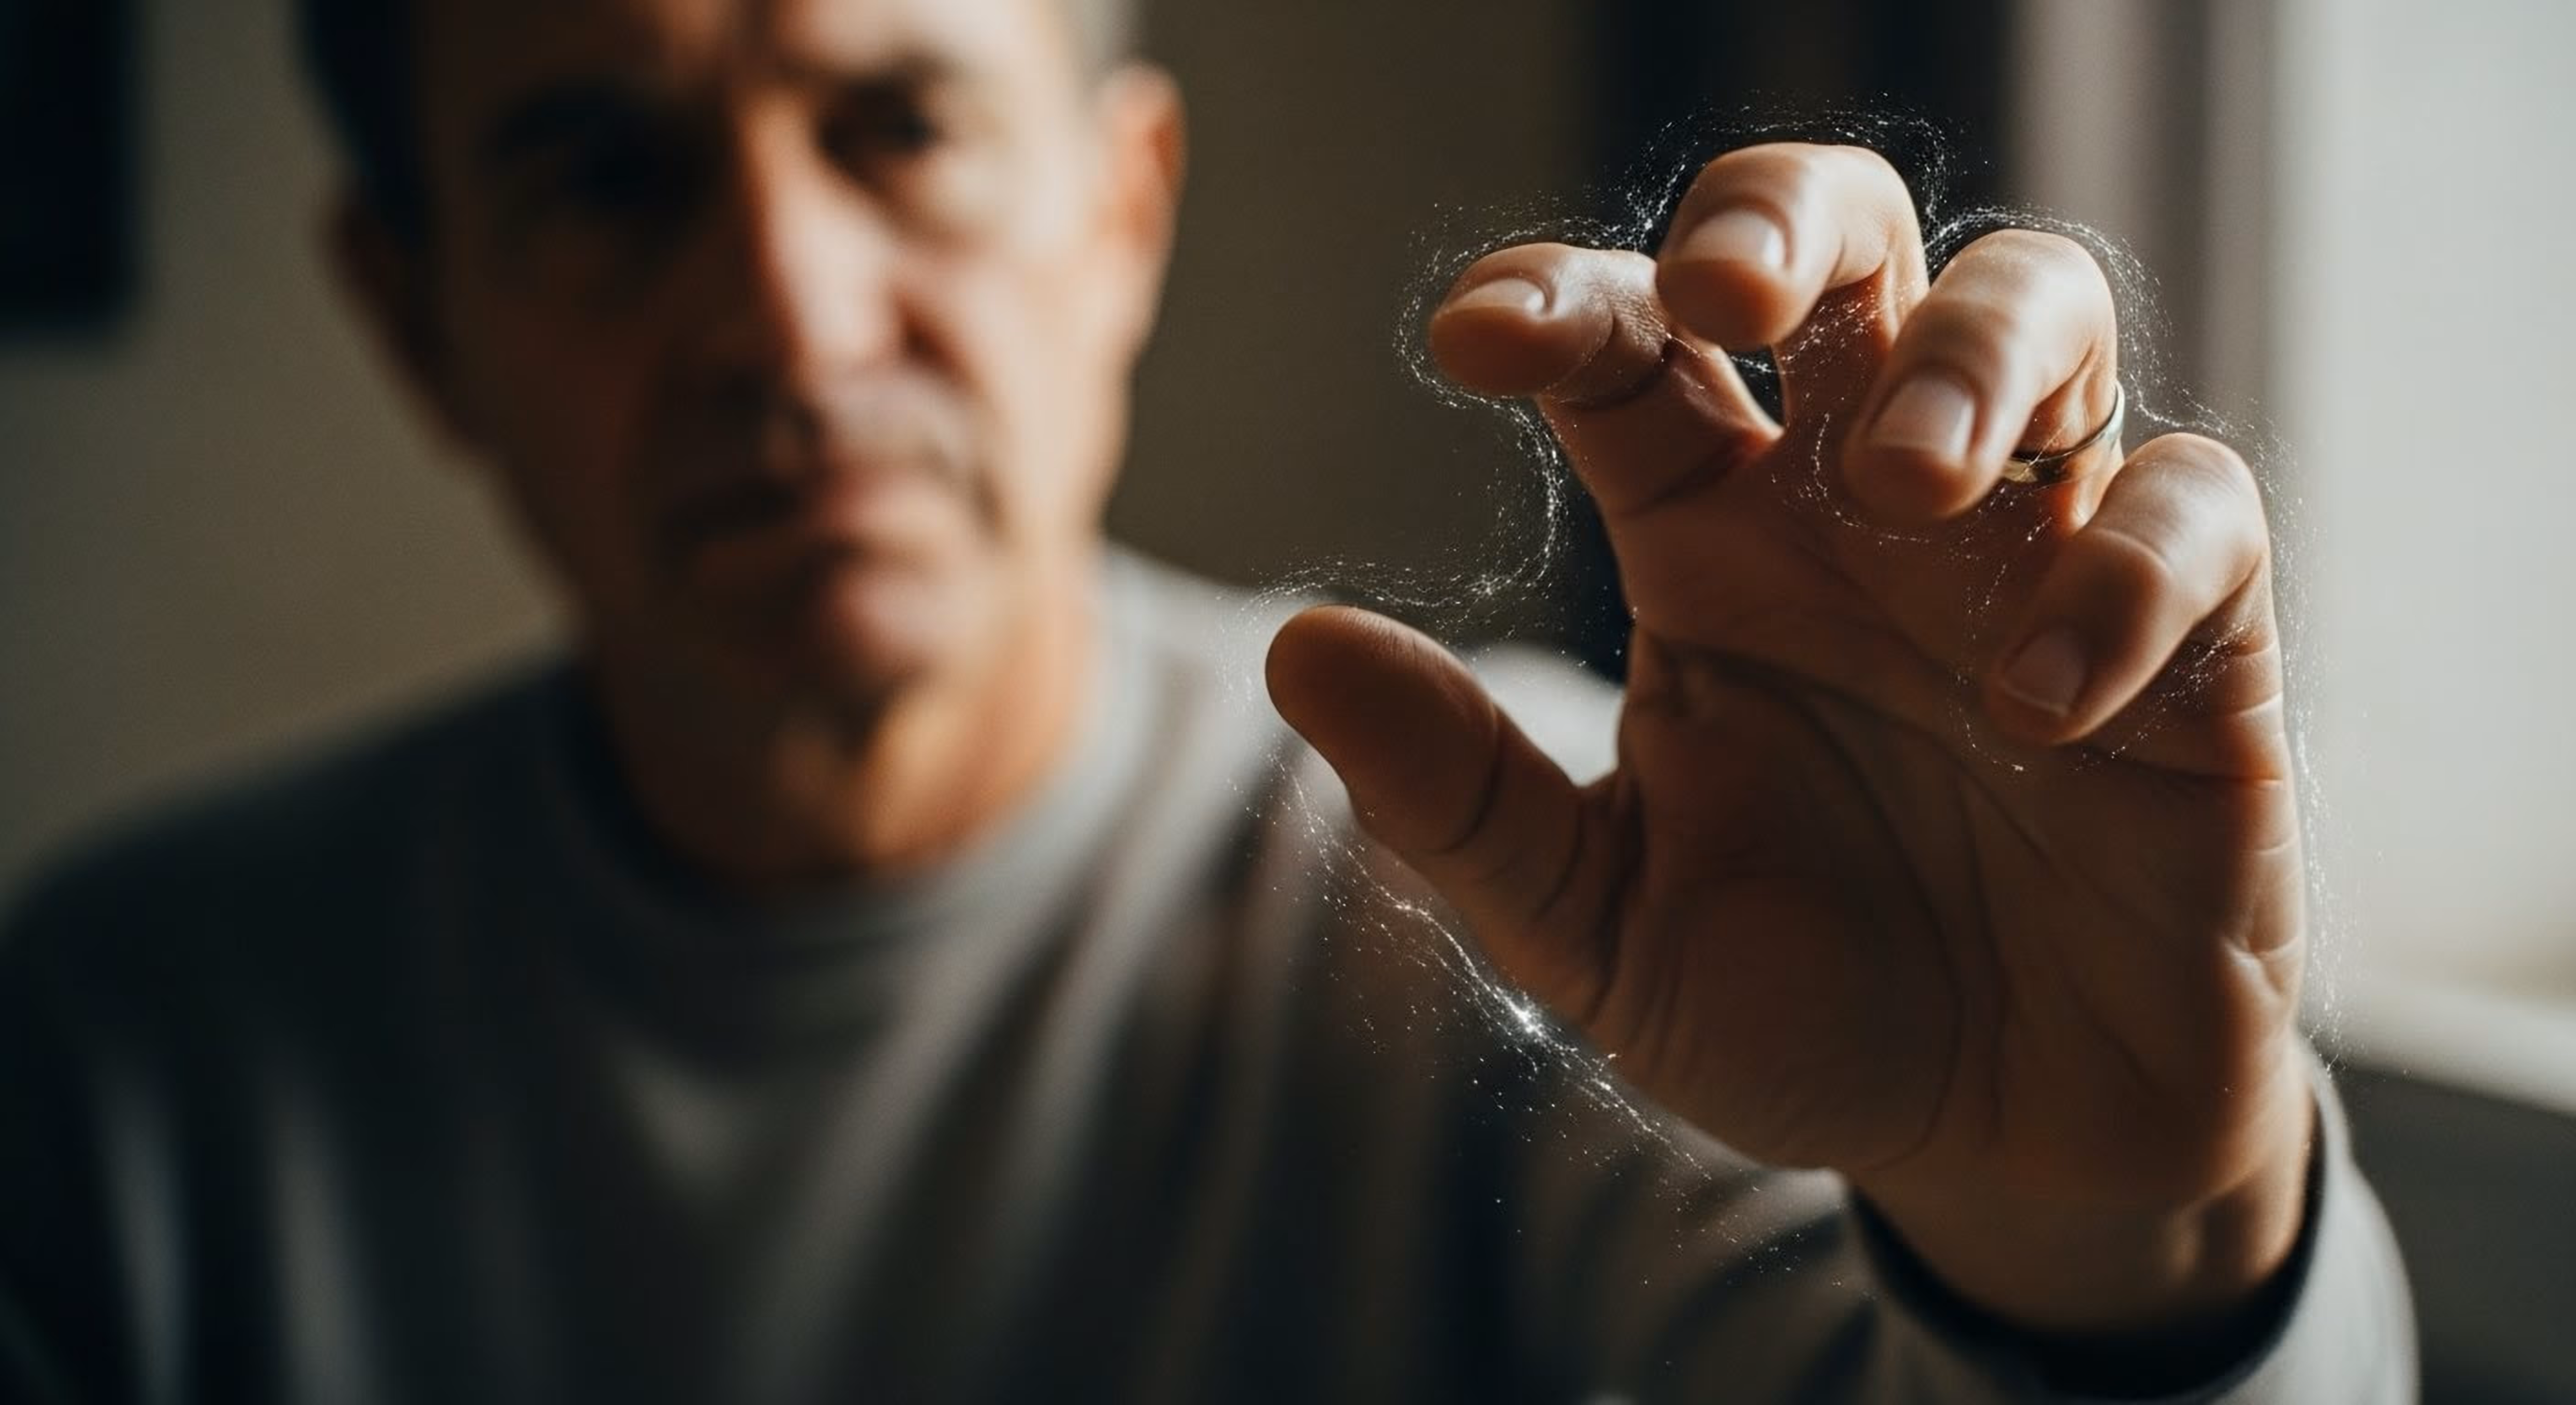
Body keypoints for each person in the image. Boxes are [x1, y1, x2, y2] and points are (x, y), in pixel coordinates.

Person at [0, 0, 2414, 1399]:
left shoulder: (1577, 883)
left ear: (1119, 218)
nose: (790, 318)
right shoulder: (121, 1060)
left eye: (900, 129)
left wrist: (2124, 1243)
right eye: (603, 176)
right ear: (420, 320)